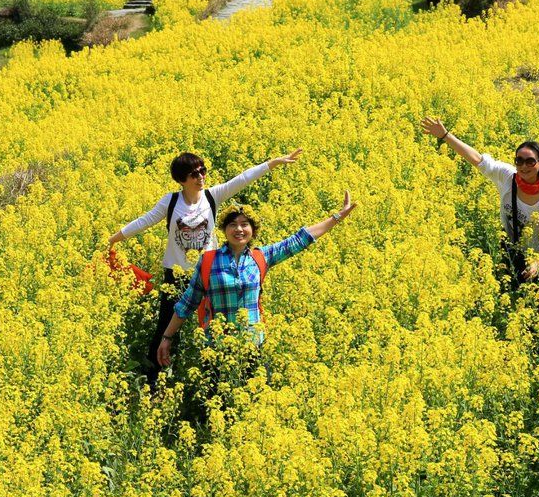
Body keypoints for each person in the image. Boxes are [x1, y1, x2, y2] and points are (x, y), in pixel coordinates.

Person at [108, 149, 302, 384]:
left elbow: (242, 179)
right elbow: (145, 221)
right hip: (175, 276)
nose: (201, 176)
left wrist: (271, 164)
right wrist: (112, 239)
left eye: (203, 170)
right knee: (166, 329)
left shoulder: (212, 196)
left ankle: (213, 378)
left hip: (210, 274)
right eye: (194, 173)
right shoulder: (170, 202)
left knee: (213, 328)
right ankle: (156, 382)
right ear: (182, 180)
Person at [157, 191, 357, 366]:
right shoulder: (208, 261)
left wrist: (336, 217)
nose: (239, 229)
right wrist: (167, 337)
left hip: (252, 346)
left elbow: (298, 240)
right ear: (224, 230)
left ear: (253, 230)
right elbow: (187, 303)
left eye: (245, 224)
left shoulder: (261, 257)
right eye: (233, 225)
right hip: (215, 347)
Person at [420, 117, 539, 312]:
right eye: (519, 160)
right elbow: (477, 159)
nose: (524, 166)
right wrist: (445, 135)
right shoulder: (507, 176)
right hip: (517, 251)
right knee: (519, 300)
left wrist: (537, 261)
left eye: (530, 161)